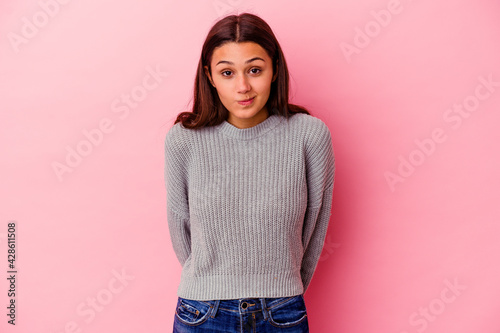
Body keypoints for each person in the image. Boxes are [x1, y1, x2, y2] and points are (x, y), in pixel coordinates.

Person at [164, 12, 335, 332]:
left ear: (275, 70)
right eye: (227, 72)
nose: (242, 86)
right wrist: (213, 282)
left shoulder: (308, 136)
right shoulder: (183, 139)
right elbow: (180, 227)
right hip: (202, 312)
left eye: (254, 70)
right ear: (210, 77)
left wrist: (282, 287)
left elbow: (314, 225)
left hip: (282, 310)